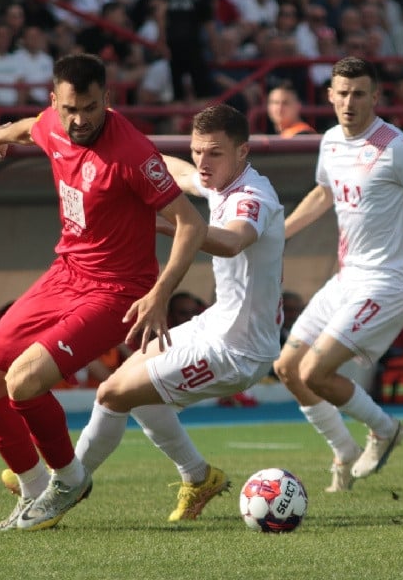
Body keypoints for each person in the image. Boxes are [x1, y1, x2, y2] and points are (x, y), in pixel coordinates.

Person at [0, 53, 207, 533]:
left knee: (24, 382)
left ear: (108, 100)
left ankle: (71, 479)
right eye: (72, 108)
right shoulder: (52, 123)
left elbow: (191, 223)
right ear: (57, 101)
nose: (81, 120)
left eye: (92, 108)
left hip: (118, 292)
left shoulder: (133, 153)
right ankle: (35, 488)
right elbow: (31, 126)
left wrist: (160, 294)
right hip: (65, 274)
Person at [71, 103, 285, 522]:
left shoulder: (253, 197)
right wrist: (121, 143)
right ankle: (198, 476)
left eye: (214, 153)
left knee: (113, 393)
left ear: (243, 152)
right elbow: (176, 171)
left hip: (239, 351)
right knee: (132, 392)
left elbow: (232, 241)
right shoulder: (218, 180)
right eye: (197, 150)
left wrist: (176, 227)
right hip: (215, 326)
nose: (202, 163)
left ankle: (66, 484)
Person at [275, 56, 403, 493]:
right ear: (329, 96)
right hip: (347, 279)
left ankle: (385, 429)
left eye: (359, 93)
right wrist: (280, 233)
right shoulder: (328, 141)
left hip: (386, 282)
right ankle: (344, 450)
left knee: (314, 372)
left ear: (376, 97)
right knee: (287, 368)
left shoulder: (397, 146)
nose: (349, 102)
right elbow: (324, 193)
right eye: (342, 93)